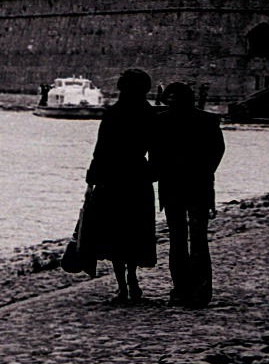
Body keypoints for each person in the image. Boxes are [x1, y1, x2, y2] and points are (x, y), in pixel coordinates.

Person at [80, 67, 159, 303]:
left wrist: (91, 181)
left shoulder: (114, 113)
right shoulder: (150, 113)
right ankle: (134, 281)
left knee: (114, 231)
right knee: (135, 230)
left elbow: (101, 149)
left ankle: (122, 287)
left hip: (113, 177)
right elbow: (157, 149)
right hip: (138, 176)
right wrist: (152, 172)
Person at [152, 81, 225, 308]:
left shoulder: (161, 121)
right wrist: (206, 171)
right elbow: (217, 151)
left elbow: (154, 155)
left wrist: (157, 172)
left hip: (174, 186)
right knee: (196, 238)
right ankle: (199, 291)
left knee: (179, 239)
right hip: (198, 186)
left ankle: (182, 290)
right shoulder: (208, 120)